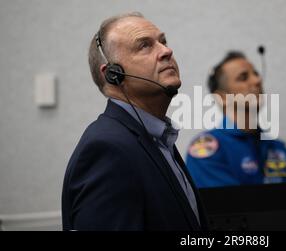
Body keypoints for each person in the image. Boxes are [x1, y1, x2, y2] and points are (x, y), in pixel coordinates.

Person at [62, 12, 207, 230]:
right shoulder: (106, 150)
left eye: (163, 41)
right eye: (144, 46)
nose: (167, 51)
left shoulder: (158, 139)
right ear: (113, 74)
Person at [186, 51, 286, 188]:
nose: (257, 80)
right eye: (243, 77)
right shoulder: (205, 149)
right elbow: (231, 206)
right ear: (222, 98)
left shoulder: (276, 146)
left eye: (256, 73)